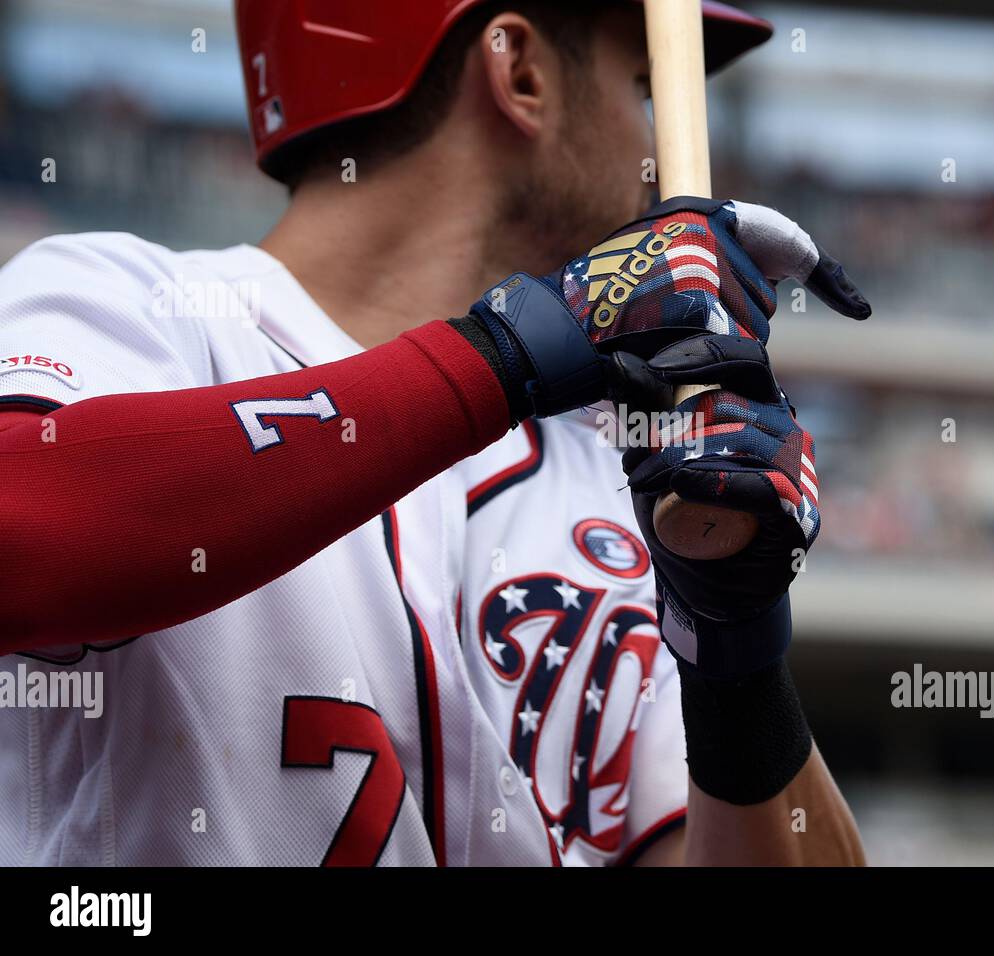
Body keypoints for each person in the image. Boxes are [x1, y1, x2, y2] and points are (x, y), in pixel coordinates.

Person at [0, 0, 868, 866]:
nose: (652, 144)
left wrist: (736, 657)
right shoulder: (138, 307)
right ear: (520, 73)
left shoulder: (626, 484)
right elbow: (21, 529)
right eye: (637, 86)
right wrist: (513, 348)